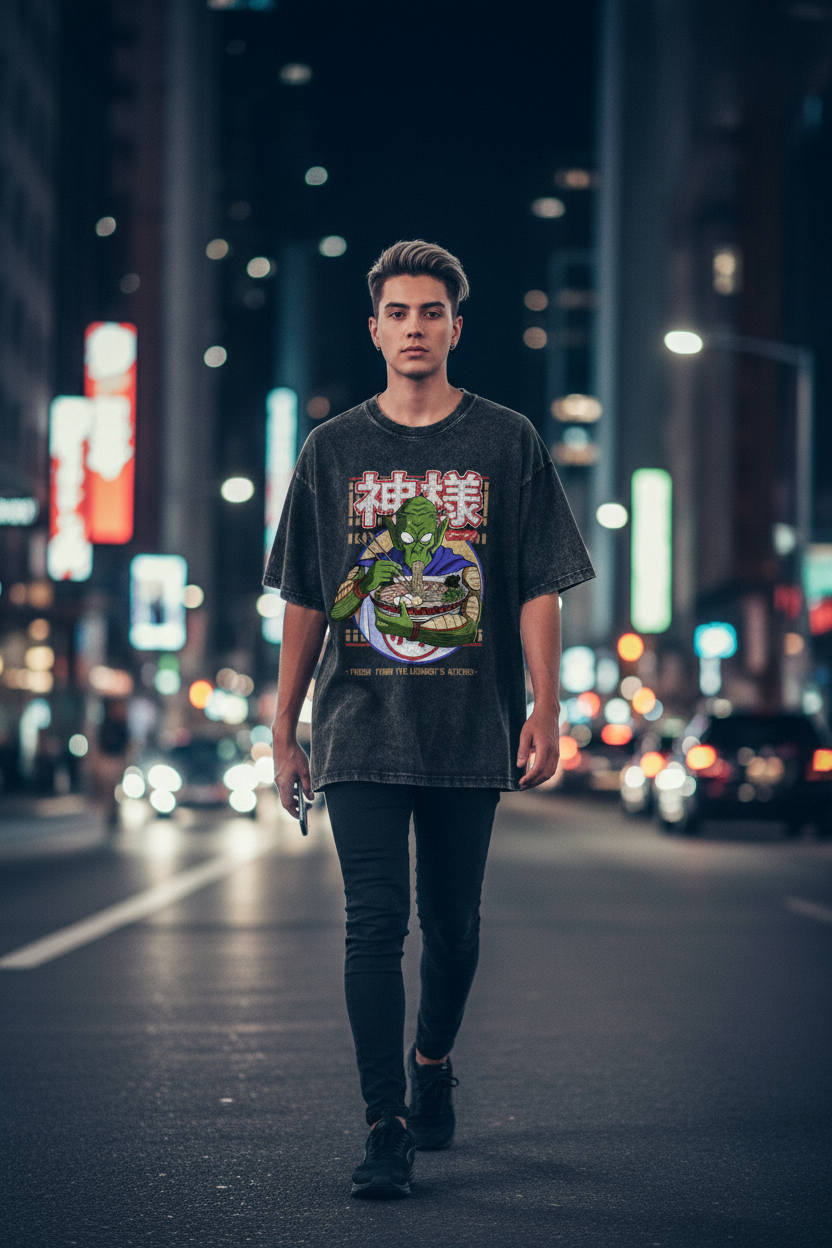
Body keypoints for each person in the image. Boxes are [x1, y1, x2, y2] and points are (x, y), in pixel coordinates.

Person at [265, 240, 594, 1198]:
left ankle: (434, 1064)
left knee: (452, 927)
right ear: (375, 330)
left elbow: (537, 583)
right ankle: (384, 1127)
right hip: (361, 721)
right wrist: (284, 728)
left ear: (456, 326)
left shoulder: (506, 440)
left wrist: (546, 705)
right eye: (398, 313)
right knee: (375, 926)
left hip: (465, 722)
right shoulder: (333, 450)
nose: (415, 327)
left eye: (431, 312)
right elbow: (307, 596)